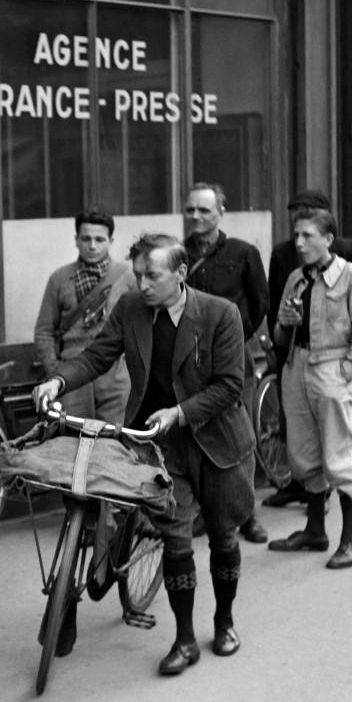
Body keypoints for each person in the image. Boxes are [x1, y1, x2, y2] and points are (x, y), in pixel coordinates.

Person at [33, 233, 256, 677]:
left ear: (180, 273)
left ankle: (224, 621)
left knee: (223, 537)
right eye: (136, 275)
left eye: (151, 275)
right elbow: (97, 356)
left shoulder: (219, 314)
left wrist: (180, 412)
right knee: (175, 539)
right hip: (160, 446)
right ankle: (185, 638)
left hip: (218, 446)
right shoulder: (132, 308)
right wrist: (58, 381)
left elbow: (231, 385)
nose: (141, 284)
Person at [267, 208, 352, 569]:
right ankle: (315, 531)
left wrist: (345, 371)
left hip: (331, 369)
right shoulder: (296, 279)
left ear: (328, 239)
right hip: (295, 369)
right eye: (296, 236)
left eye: (307, 236)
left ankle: (350, 540)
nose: (299, 243)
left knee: (338, 455)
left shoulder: (351, 277)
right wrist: (284, 325)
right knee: (302, 455)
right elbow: (279, 335)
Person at [183, 182, 269, 544]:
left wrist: (234, 339)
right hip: (188, 360)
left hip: (234, 358)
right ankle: (208, 511)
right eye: (190, 210)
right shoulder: (175, 254)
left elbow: (260, 302)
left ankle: (247, 514)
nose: (196, 216)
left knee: (240, 434)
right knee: (196, 433)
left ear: (221, 211)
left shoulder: (243, 252)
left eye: (204, 210)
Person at [33, 210, 136, 422]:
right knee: (72, 438)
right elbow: (44, 331)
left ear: (111, 241)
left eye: (100, 239)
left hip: (115, 372)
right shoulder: (60, 279)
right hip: (72, 371)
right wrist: (55, 371)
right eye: (86, 239)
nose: (92, 246)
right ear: (76, 240)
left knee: (116, 437)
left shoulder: (127, 277)